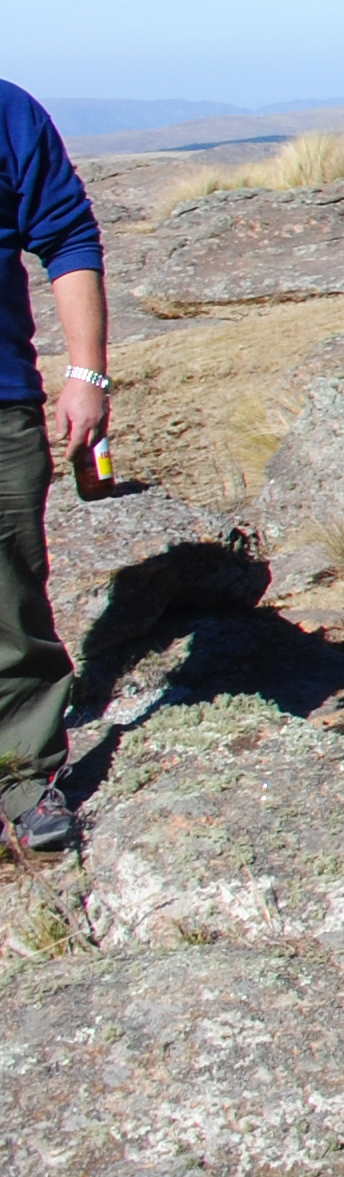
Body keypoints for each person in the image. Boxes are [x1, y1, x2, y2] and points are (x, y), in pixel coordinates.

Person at [1, 80, 107, 856]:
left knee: (8, 602)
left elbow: (67, 236)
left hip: (0, 403)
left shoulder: (7, 112)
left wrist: (87, 373)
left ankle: (22, 776)